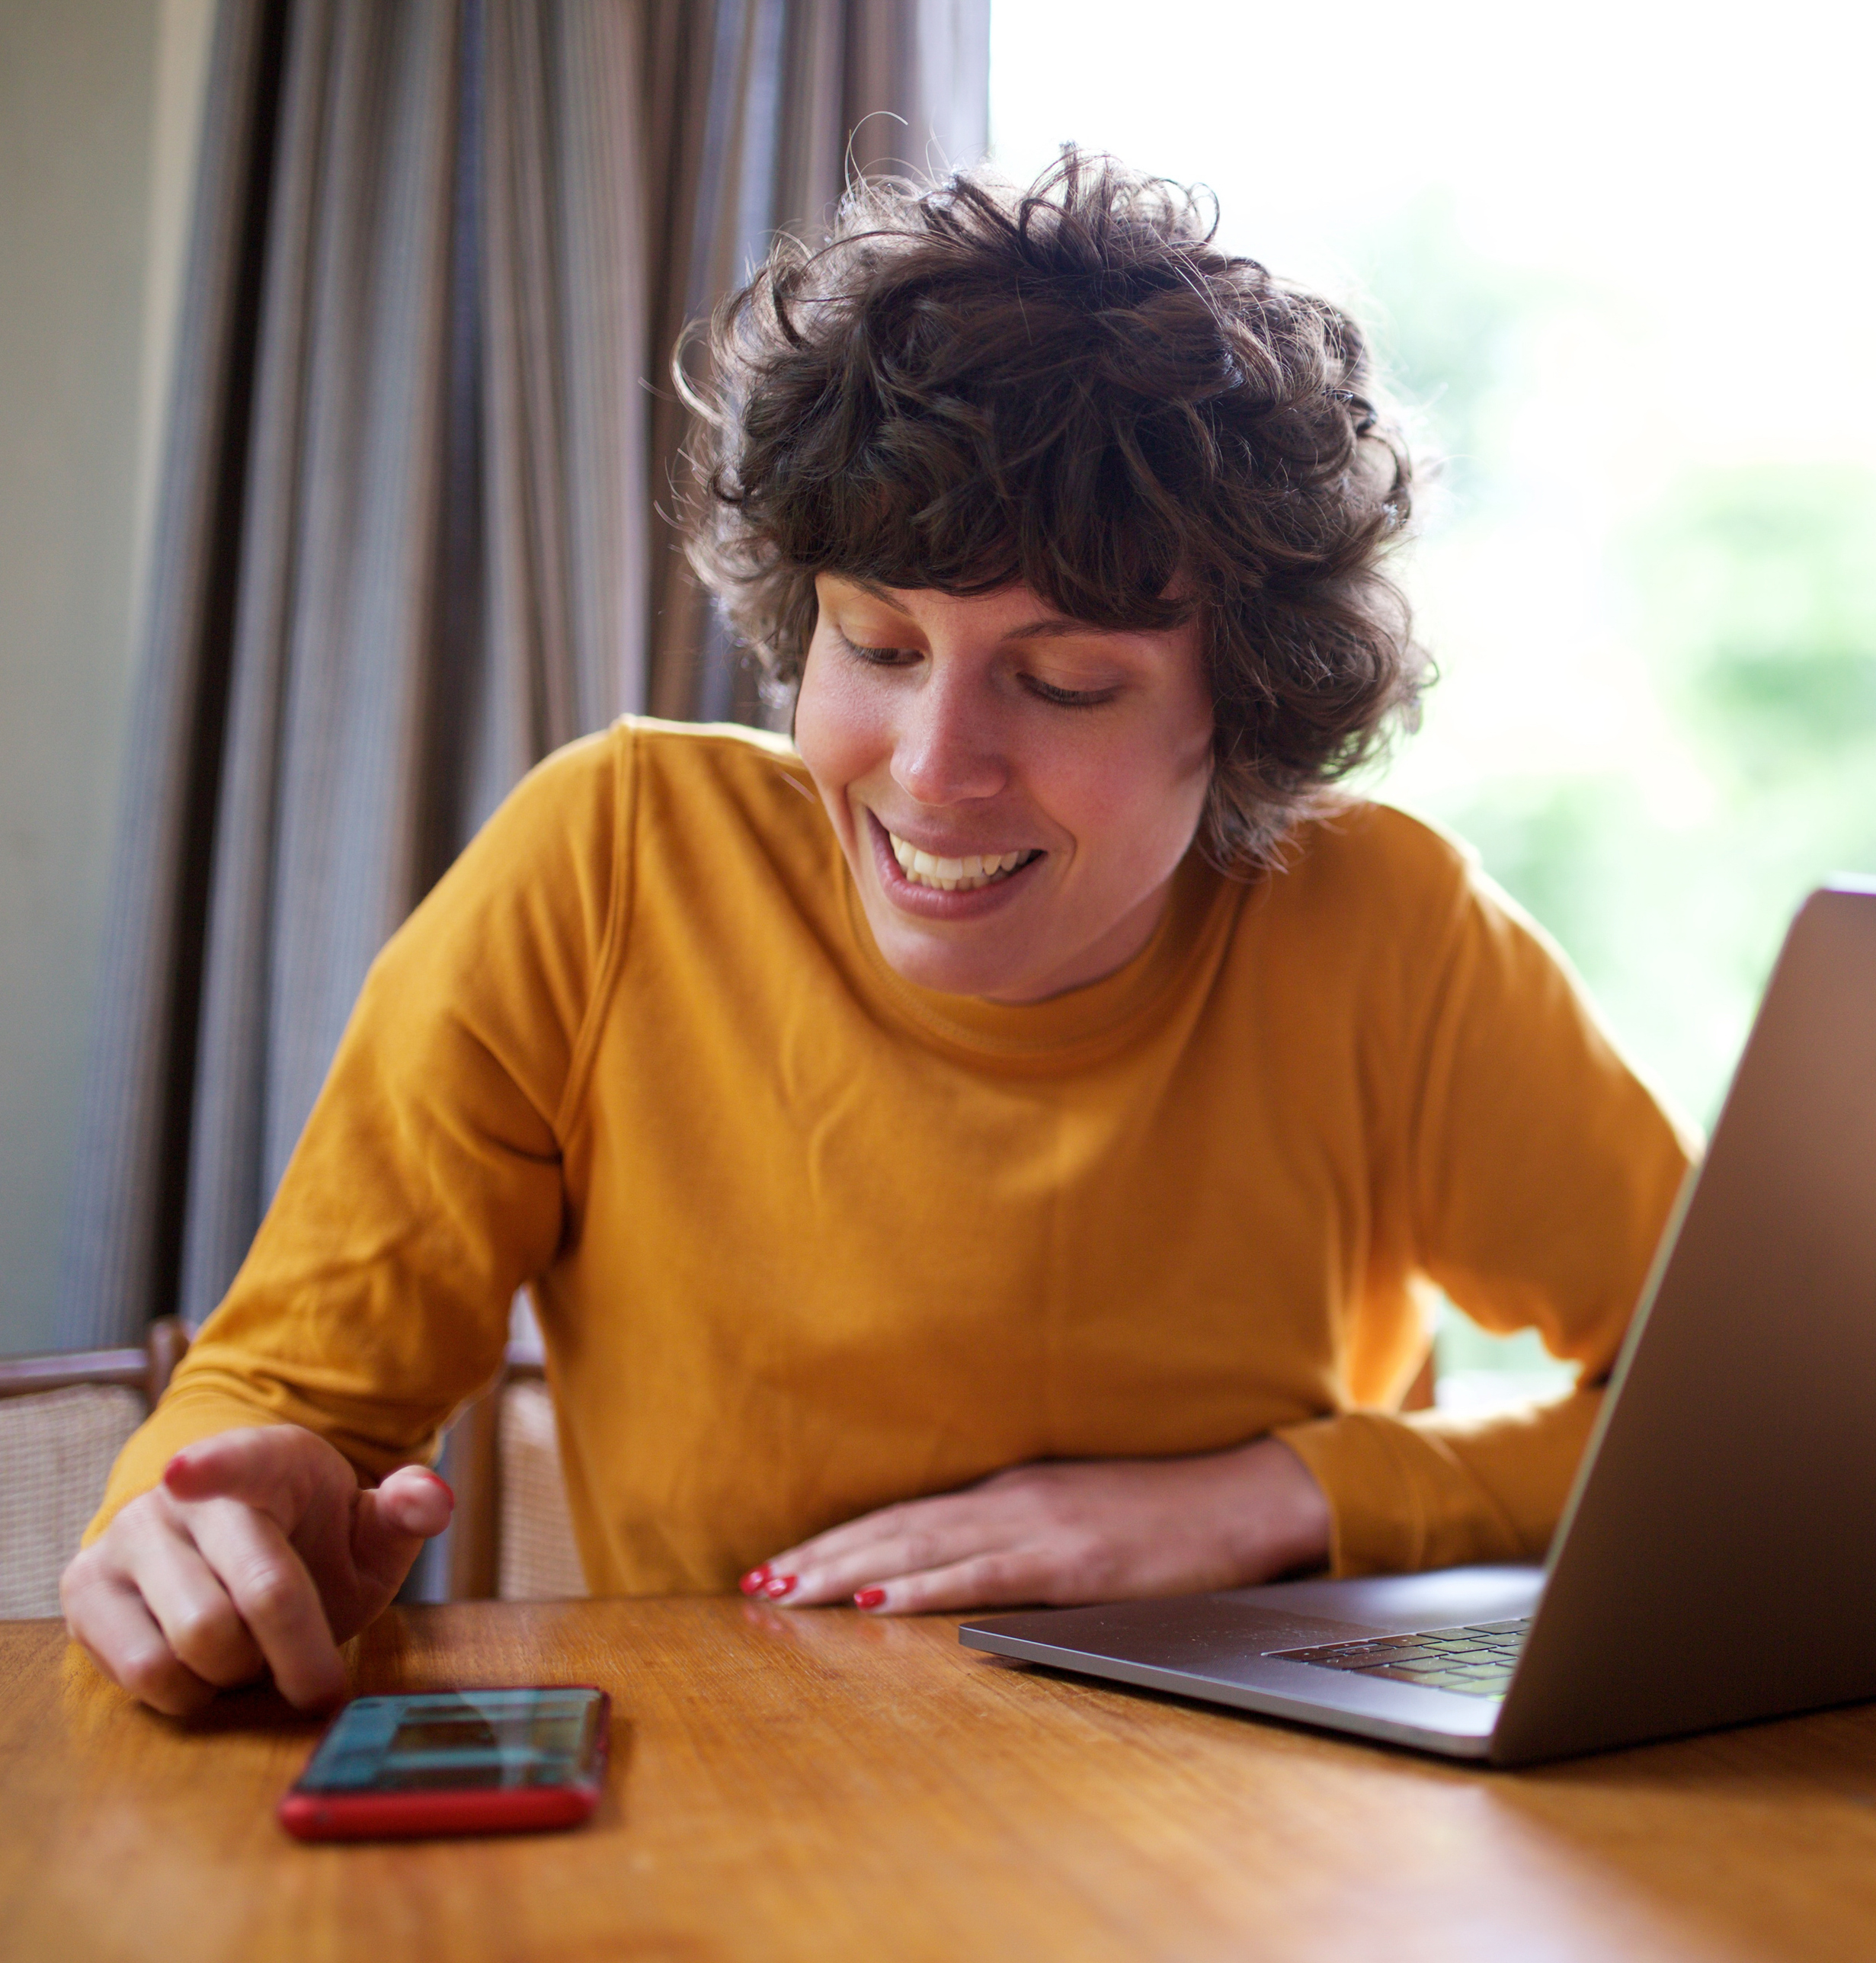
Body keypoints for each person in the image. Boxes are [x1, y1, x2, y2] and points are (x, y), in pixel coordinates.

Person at [62, 152, 1693, 1718]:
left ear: (1243, 710)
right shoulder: (610, 863)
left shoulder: (1382, 928)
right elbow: (283, 1397)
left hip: (1265, 1843)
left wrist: (1269, 1498)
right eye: (876, 644)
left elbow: (1740, 1415)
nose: (934, 769)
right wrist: (201, 1517)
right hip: (746, 1818)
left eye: (1062, 681)